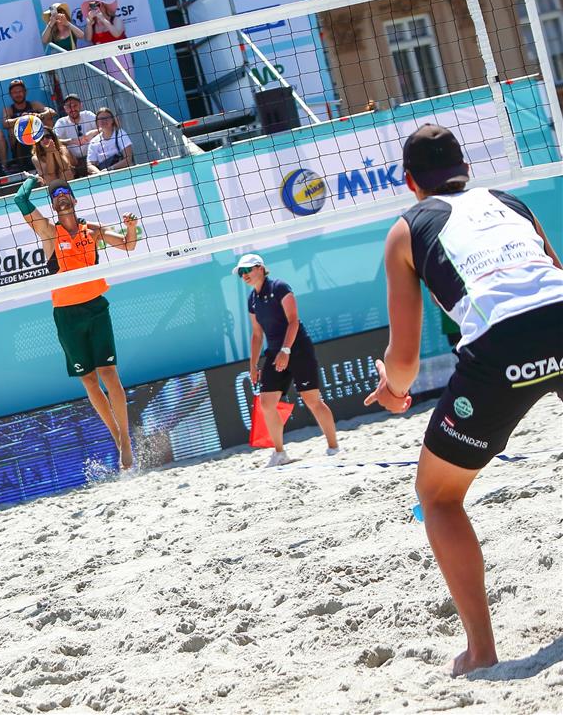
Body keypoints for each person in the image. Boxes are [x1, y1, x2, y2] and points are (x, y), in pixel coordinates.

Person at [364, 124, 563, 677]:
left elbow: (405, 359)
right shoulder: (509, 202)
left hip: (501, 345)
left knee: (438, 496)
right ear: (466, 169)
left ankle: (480, 651)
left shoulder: (406, 229)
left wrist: (393, 390)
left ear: (410, 182)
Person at [14, 176, 140, 469]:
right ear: (53, 205)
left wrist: (131, 227)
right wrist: (33, 180)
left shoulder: (91, 230)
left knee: (109, 374)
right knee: (89, 380)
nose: (60, 195)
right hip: (67, 314)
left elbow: (128, 245)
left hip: (96, 306)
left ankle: (126, 442)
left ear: (74, 199)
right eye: (55, 194)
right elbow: (20, 199)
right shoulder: (49, 231)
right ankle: (117, 438)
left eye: (64, 191)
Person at [236, 253, 340, 467]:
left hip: (298, 349)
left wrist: (286, 350)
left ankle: (334, 447)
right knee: (266, 404)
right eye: (240, 272)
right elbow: (257, 334)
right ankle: (280, 453)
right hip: (275, 353)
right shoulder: (252, 299)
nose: (244, 275)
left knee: (312, 400)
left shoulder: (279, 287)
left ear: (260, 268)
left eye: (247, 270)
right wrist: (253, 366)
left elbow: (293, 321)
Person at [2, 79, 55, 172]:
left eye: (20, 91)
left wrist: (39, 116)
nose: (18, 94)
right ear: (10, 95)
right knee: (11, 129)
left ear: (25, 92)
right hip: (20, 144)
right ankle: (17, 162)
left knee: (48, 119)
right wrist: (23, 119)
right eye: (14, 92)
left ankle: (52, 148)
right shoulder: (8, 109)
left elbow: (52, 112)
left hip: (39, 139)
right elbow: (5, 123)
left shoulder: (34, 104)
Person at [53, 94, 98, 170]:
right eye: (69, 107)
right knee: (61, 148)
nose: (72, 109)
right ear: (65, 108)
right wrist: (70, 141)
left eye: (75, 105)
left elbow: (105, 127)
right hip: (73, 160)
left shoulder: (88, 115)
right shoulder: (61, 122)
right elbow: (54, 140)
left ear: (80, 105)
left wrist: (92, 133)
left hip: (93, 156)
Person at [86, 107, 134, 171]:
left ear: (112, 120)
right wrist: (99, 173)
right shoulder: (94, 142)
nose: (104, 121)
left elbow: (128, 159)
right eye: (100, 119)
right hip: (103, 173)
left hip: (123, 171)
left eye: (106, 118)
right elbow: (90, 165)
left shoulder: (120, 134)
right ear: (97, 122)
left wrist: (110, 169)